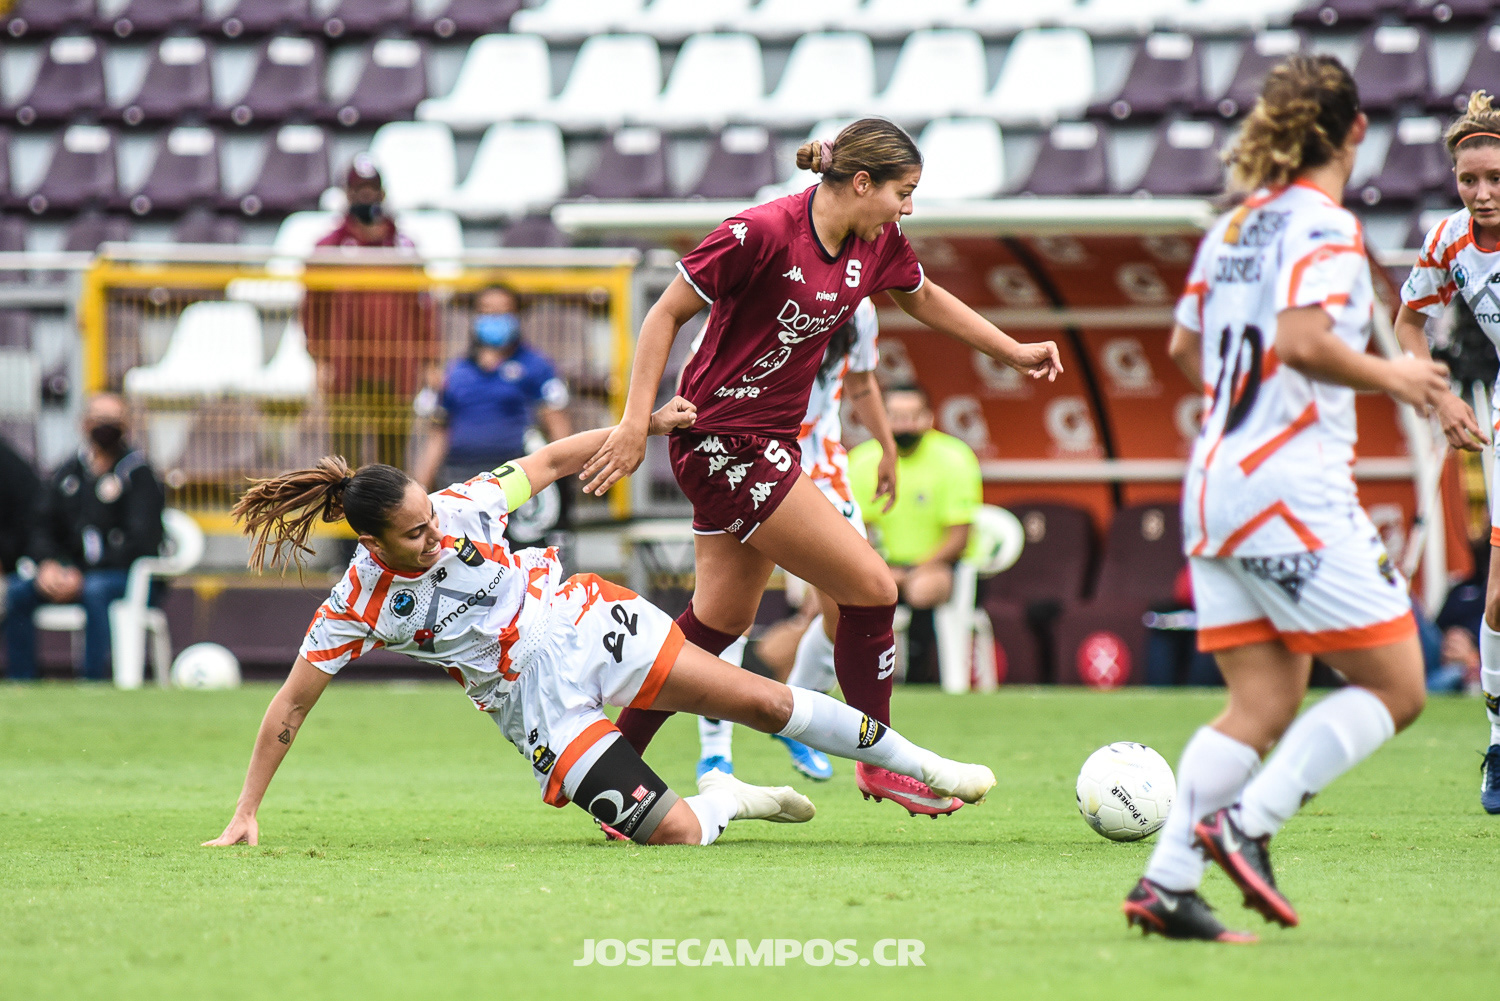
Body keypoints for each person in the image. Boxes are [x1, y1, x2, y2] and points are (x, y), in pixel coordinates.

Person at [202, 398, 996, 849]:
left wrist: (641, 426)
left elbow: (549, 461)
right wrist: (246, 809)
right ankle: (730, 798)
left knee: (761, 700)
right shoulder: (356, 604)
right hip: (536, 709)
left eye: (430, 516)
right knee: (673, 834)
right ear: (373, 544)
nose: (435, 532)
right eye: (415, 533)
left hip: (581, 622)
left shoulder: (463, 505)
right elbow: (291, 703)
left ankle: (931, 765)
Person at [578, 118, 1062, 818]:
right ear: (862, 182)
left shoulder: (877, 243)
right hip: (723, 445)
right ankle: (882, 761)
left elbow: (924, 297)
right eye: (903, 191)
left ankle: (609, 768)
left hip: (764, 444)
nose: (908, 208)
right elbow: (664, 313)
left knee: (718, 621)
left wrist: (1011, 350)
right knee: (872, 587)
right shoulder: (760, 232)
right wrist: (633, 423)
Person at [1122, 55, 1449, 942]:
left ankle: (1167, 882)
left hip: (1214, 480)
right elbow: (1304, 341)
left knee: (1261, 705)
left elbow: (1186, 350)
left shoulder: (1235, 225)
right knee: (1398, 684)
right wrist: (1397, 375)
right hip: (1288, 489)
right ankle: (1248, 824)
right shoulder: (1327, 227)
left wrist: (1250, 407)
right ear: (1355, 130)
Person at [695, 298, 896, 783]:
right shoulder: (756, 290)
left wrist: (887, 447)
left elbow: (861, 381)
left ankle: (799, 718)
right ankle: (715, 752)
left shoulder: (861, 304)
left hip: (820, 467)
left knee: (852, 605)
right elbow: (696, 373)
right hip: (747, 460)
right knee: (725, 615)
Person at [1392, 90, 1500, 814]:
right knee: (1498, 596)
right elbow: (1408, 325)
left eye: (1495, 179)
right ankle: (1498, 741)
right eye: (1470, 180)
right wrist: (1440, 396)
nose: (1482, 193)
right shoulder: (1449, 241)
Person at [5, 394, 165, 681]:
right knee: (17, 592)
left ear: (126, 425)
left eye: (113, 420)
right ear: (84, 423)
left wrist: (83, 573)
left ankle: (95, 679)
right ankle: (22, 680)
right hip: (70, 574)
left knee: (95, 590)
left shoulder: (138, 475)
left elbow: (142, 541)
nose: (105, 427)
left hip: (124, 578)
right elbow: (42, 526)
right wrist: (47, 565)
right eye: (99, 419)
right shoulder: (68, 473)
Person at [302, 154, 438, 470]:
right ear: (346, 194)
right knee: (345, 456)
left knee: (393, 458)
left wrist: (430, 359)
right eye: (358, 189)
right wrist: (319, 358)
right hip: (346, 365)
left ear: (383, 192)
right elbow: (312, 308)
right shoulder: (329, 248)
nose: (366, 196)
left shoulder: (405, 247)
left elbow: (424, 306)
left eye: (371, 189)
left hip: (397, 365)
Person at [848, 382, 981, 684]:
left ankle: (921, 677)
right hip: (886, 563)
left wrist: (912, 569)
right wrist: (878, 567)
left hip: (940, 566)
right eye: (895, 416)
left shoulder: (954, 457)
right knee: (852, 587)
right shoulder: (863, 460)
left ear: (928, 418)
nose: (904, 424)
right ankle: (859, 676)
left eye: (912, 416)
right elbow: (858, 529)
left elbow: (958, 537)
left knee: (922, 589)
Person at [413, 285, 572, 492]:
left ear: (517, 316)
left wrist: (564, 483)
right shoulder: (455, 371)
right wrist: (420, 487)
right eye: (487, 311)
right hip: (460, 476)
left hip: (515, 477)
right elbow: (438, 434)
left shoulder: (536, 366)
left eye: (503, 311)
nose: (495, 318)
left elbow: (557, 423)